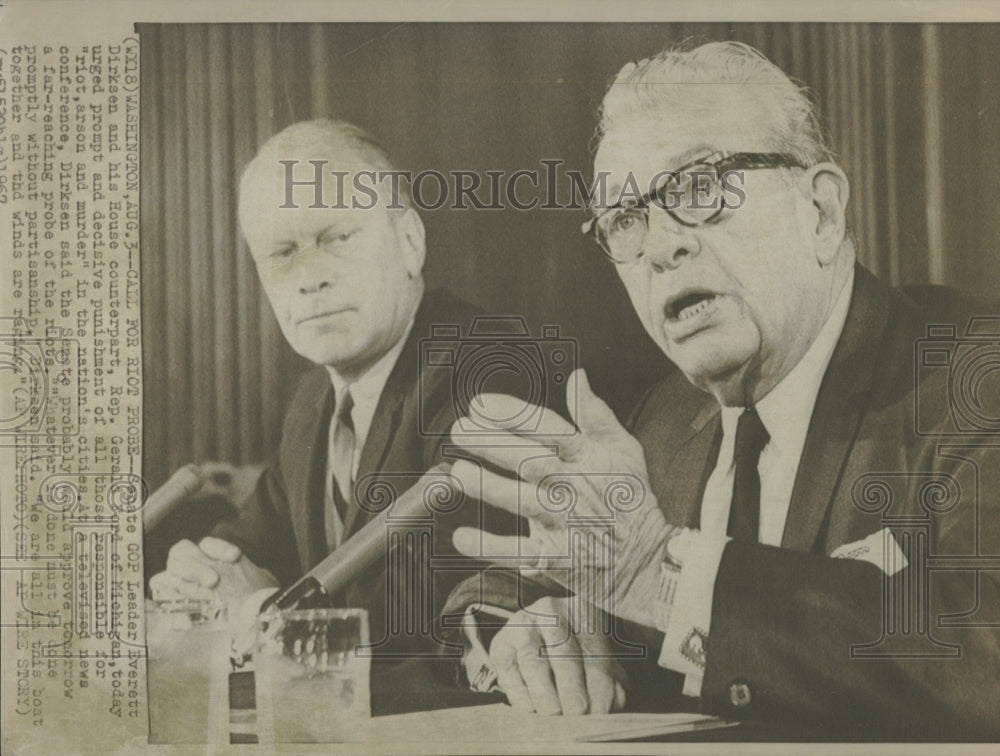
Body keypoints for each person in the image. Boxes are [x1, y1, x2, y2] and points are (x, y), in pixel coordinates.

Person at [444, 42, 1000, 738]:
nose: (657, 247)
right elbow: (518, 584)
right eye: (624, 219)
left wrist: (661, 578)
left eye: (699, 187)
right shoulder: (663, 420)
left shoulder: (974, 378)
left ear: (821, 212)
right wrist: (520, 631)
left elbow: (985, 650)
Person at [148, 119, 503, 666]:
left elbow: (435, 633)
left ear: (411, 242)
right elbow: (244, 547)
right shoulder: (315, 402)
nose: (309, 277)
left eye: (337, 238)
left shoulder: (488, 372)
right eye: (282, 253)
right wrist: (201, 573)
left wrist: (256, 613)